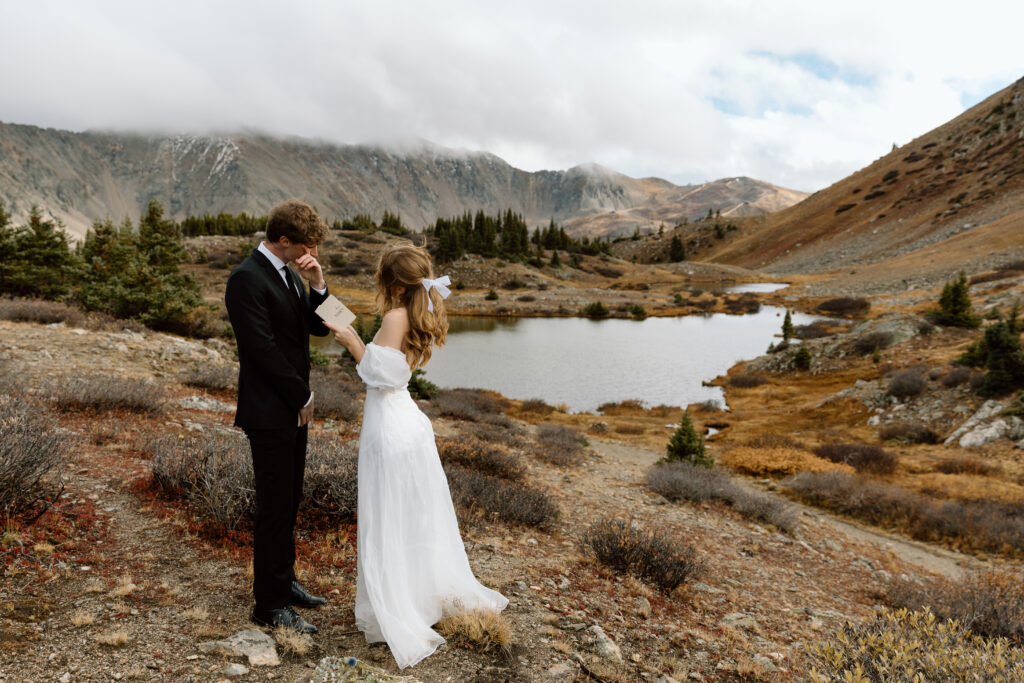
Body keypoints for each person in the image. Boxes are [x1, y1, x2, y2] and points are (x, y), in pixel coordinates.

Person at [327, 242, 508, 668]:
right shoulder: (422, 312)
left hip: (390, 425)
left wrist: (353, 340)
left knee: (388, 514)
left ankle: (400, 606)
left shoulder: (395, 316)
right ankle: (422, 597)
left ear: (391, 283)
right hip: (409, 424)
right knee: (415, 515)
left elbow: (380, 376)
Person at [224, 199, 332, 634]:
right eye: (309, 246)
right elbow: (261, 349)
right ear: (284, 240)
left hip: (292, 410)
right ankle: (268, 605)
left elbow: (322, 328)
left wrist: (319, 284)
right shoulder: (245, 279)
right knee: (273, 507)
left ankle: (285, 583)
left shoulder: (292, 273)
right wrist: (302, 394)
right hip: (270, 411)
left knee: (290, 501)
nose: (315, 253)